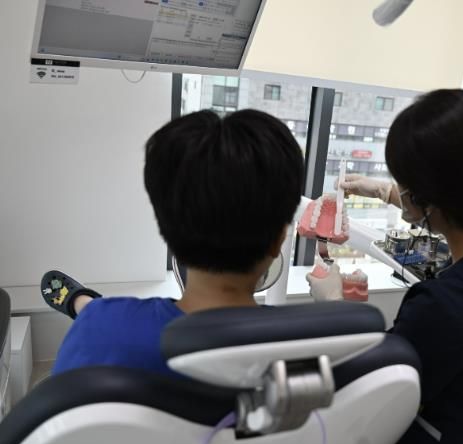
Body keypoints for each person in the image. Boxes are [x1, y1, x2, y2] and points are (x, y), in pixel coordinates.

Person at [307, 89, 463, 444]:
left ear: (427, 198)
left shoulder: (441, 308)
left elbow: (372, 386)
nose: (398, 190)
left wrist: (334, 308)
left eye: (402, 184)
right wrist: (387, 193)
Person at [41, 109, 304, 376]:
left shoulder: (96, 333)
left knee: (96, 314)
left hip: (106, 326)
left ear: (166, 230)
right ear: (279, 240)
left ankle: (80, 302)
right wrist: (327, 296)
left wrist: (94, 317)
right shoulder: (304, 347)